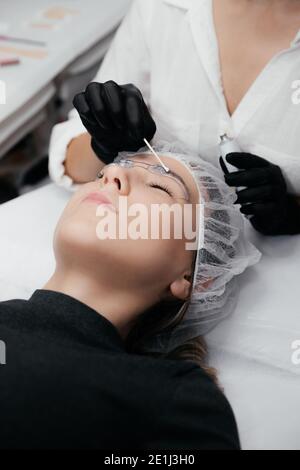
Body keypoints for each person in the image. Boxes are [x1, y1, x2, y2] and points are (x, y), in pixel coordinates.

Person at [0, 142, 260, 449]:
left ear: (194, 278)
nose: (111, 172)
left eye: (160, 186)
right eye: (101, 173)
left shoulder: (177, 400)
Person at [49, 0, 300, 236]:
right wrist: (102, 146)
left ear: (187, 281)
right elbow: (70, 159)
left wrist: (294, 214)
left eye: (162, 189)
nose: (115, 181)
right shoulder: (162, 7)